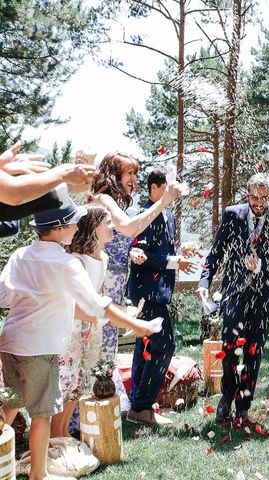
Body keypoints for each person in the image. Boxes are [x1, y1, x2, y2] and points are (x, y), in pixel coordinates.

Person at [0, 196, 153, 480]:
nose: (78, 224)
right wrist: (136, 324)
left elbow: (3, 295)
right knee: (42, 414)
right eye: (73, 220)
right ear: (59, 227)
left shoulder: (20, 254)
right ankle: (39, 475)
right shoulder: (65, 262)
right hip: (40, 348)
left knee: (9, 404)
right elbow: (97, 305)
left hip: (9, 343)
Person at [196, 173, 269, 424]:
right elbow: (216, 253)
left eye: (264, 198)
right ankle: (226, 397)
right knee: (229, 346)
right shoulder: (233, 214)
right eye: (254, 197)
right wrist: (203, 282)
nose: (259, 202)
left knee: (254, 350)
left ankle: (243, 406)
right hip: (235, 294)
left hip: (264, 297)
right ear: (247, 194)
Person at [90, 152, 184, 405]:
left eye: (135, 173)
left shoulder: (114, 202)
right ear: (114, 174)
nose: (134, 179)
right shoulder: (102, 198)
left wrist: (131, 250)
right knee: (97, 346)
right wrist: (163, 202)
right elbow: (130, 228)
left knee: (108, 346)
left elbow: (122, 237)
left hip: (117, 282)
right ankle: (85, 414)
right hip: (103, 280)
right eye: (129, 173)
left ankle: (103, 404)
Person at [126, 168, 197, 425]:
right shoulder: (140, 214)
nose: (174, 192)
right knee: (164, 345)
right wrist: (172, 261)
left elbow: (163, 251)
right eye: (169, 187)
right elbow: (139, 255)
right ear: (155, 188)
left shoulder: (168, 216)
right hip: (145, 293)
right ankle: (142, 406)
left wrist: (180, 252)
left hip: (161, 293)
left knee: (143, 347)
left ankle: (137, 405)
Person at [50, 205, 112, 437]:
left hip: (92, 329)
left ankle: (65, 433)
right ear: (94, 228)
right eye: (108, 222)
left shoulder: (104, 258)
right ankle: (56, 436)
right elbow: (71, 303)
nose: (112, 227)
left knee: (79, 384)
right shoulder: (76, 260)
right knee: (65, 384)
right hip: (72, 330)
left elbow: (100, 294)